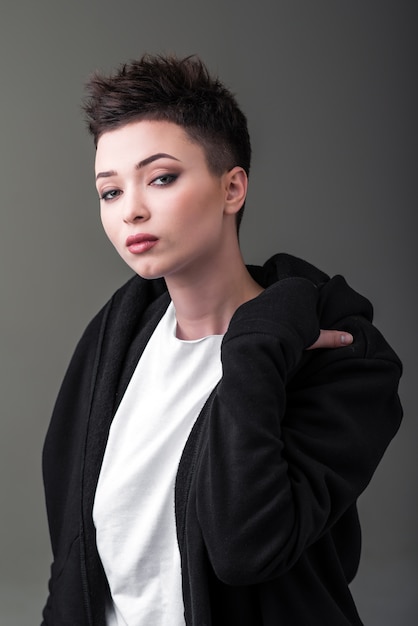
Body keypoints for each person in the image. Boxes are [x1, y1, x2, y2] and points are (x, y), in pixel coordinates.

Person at [41, 54, 402, 626]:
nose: (131, 210)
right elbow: (74, 561)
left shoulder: (341, 358)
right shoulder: (113, 345)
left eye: (161, 178)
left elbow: (247, 546)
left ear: (233, 187)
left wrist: (256, 346)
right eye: (110, 192)